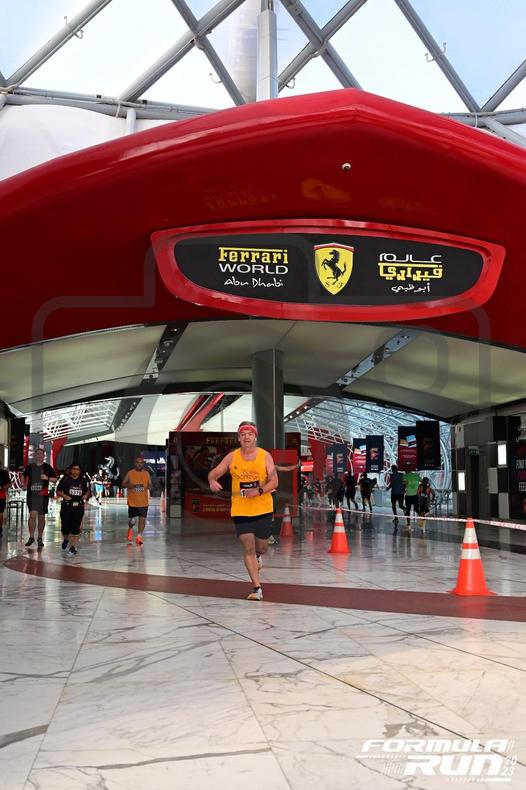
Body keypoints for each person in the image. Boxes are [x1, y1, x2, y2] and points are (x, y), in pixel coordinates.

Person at [208, 421, 278, 601]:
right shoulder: (232, 457)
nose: (247, 437)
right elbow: (214, 473)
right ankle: (256, 587)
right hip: (240, 509)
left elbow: (274, 481)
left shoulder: (264, 456)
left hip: (263, 507)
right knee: (248, 546)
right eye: (243, 434)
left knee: (261, 547)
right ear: (239, 438)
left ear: (255, 437)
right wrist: (212, 480)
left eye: (250, 434)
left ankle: (258, 555)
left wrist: (259, 491)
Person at [23, 448, 57, 548]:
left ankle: (40, 537)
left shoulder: (47, 467)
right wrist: (24, 484)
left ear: (43, 456)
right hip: (32, 495)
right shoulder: (30, 466)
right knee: (32, 515)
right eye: (37, 454)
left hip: (43, 496)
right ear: (35, 455)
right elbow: (23, 476)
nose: (39, 455)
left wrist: (47, 478)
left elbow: (55, 479)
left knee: (41, 517)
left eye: (41, 454)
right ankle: (31, 537)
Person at [56, 463, 90, 556]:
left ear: (79, 471)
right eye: (74, 469)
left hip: (79, 506)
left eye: (77, 469)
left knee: (76, 527)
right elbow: (58, 491)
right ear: (71, 470)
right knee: (65, 527)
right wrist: (64, 495)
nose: (75, 471)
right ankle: (66, 539)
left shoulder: (83, 480)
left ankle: (72, 546)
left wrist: (86, 495)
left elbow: (87, 491)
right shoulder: (66, 479)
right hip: (66, 506)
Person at [121, 456, 152, 545]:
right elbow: (123, 483)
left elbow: (150, 484)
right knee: (133, 521)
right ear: (135, 463)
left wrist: (149, 487)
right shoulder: (130, 473)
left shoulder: (146, 474)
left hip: (143, 502)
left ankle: (139, 537)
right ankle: (130, 529)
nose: (139, 464)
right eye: (137, 462)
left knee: (142, 520)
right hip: (133, 502)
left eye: (141, 463)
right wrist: (129, 485)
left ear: (143, 464)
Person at [402, 464, 421, 530]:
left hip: (408, 495)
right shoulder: (416, 475)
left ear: (406, 470)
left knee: (408, 510)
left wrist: (403, 491)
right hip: (415, 495)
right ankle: (422, 519)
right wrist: (419, 490)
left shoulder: (405, 476)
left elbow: (404, 486)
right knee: (416, 509)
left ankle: (409, 524)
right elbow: (423, 482)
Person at [0, 462, 11, 536]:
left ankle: (0, 529)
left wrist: (2, 487)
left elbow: (10, 484)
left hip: (1, 496)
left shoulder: (3, 473)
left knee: (0, 513)